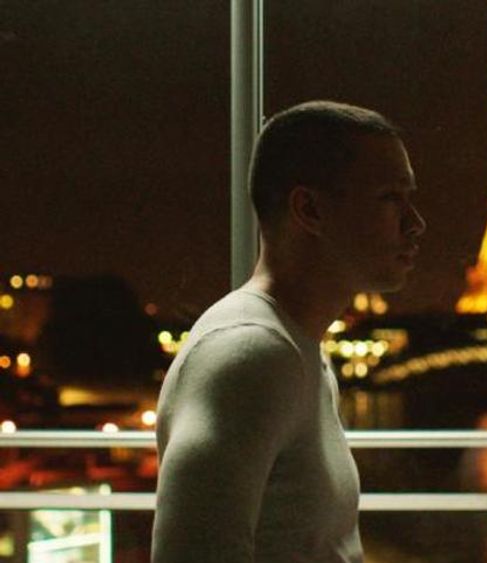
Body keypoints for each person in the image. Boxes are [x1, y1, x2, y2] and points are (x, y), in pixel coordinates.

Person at [152, 100, 426, 563]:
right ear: (310, 209)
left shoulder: (295, 347)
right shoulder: (251, 354)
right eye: (389, 198)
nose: (415, 224)